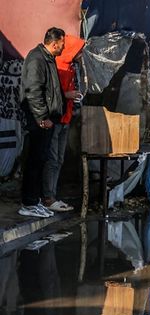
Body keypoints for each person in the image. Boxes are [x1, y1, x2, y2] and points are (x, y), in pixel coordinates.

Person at [18, 27, 66, 218]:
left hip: (46, 120)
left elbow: (50, 90)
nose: (63, 48)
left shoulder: (47, 58)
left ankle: (34, 201)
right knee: (34, 161)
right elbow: (33, 91)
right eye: (62, 44)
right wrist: (41, 118)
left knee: (40, 160)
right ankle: (28, 203)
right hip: (39, 121)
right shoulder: (37, 59)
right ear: (54, 43)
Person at [41, 35, 84, 213]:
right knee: (52, 159)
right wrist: (68, 95)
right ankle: (48, 197)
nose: (82, 54)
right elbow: (50, 93)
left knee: (58, 159)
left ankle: (52, 195)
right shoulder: (57, 67)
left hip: (65, 118)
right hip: (55, 119)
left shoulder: (72, 68)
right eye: (79, 51)